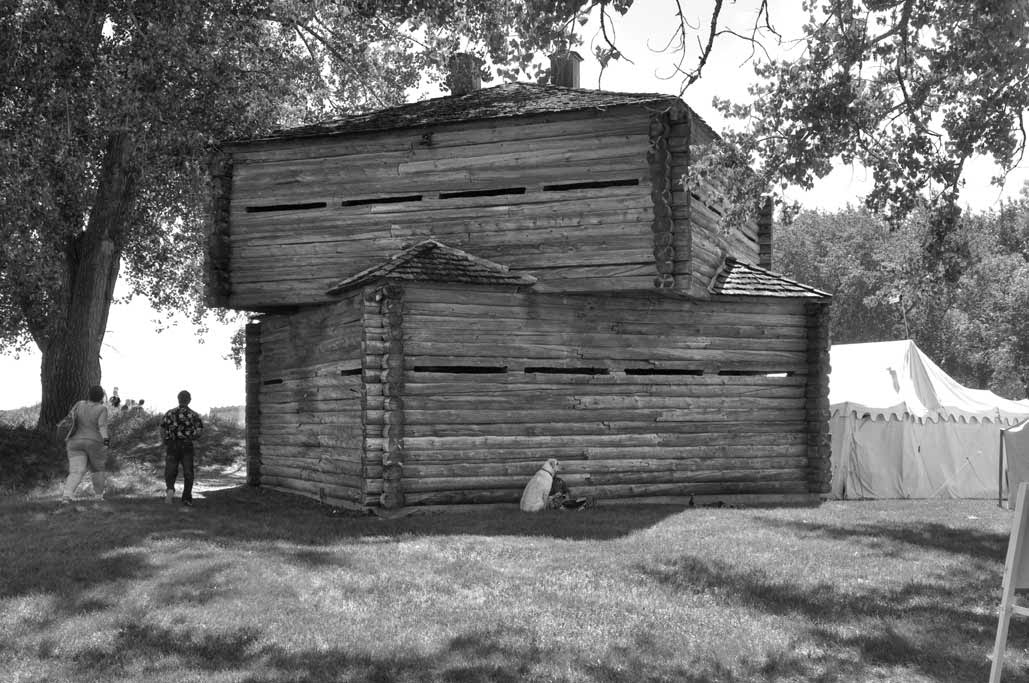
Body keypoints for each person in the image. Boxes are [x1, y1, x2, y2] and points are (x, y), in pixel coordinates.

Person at [60, 385, 111, 507]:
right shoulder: (102, 409)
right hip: (94, 443)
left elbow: (70, 419)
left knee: (76, 471)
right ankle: (98, 497)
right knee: (97, 469)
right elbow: (102, 426)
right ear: (101, 397)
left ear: (89, 394)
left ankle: (66, 496)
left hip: (74, 441)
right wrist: (106, 441)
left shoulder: (79, 404)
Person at [160, 390, 204, 507]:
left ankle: (170, 489)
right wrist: (192, 437)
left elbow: (162, 428)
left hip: (172, 445)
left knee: (170, 470)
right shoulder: (194, 415)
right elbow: (199, 432)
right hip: (187, 445)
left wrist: (165, 440)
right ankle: (186, 498)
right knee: (188, 472)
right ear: (189, 400)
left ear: (178, 399)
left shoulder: (170, 413)